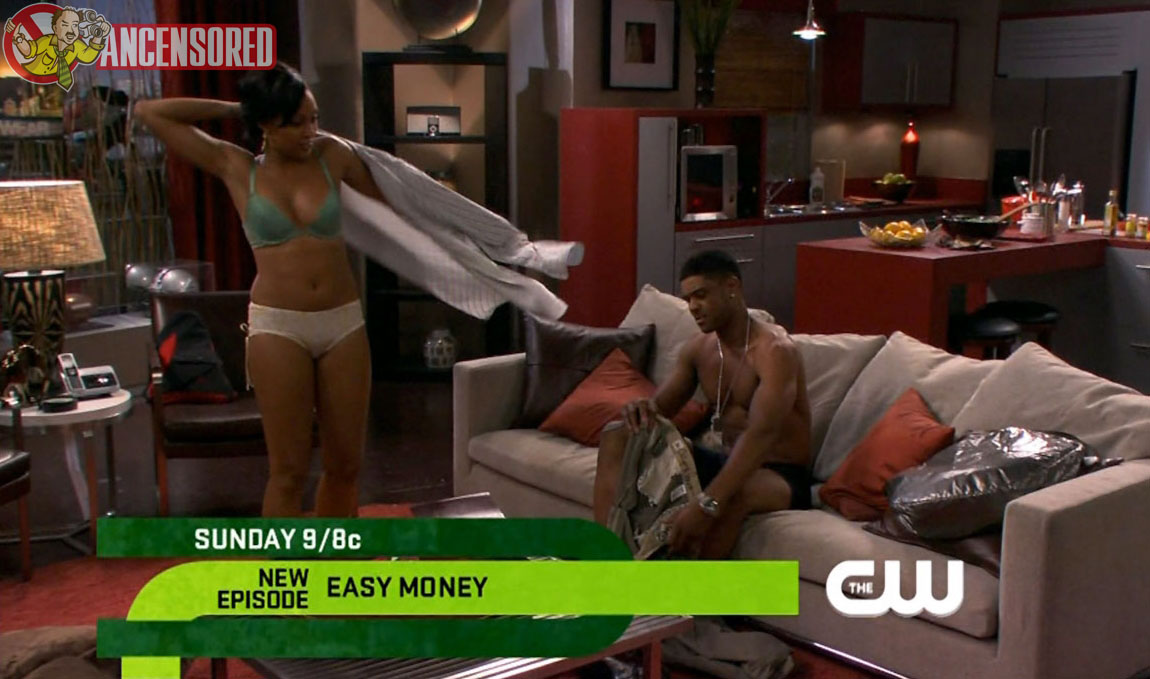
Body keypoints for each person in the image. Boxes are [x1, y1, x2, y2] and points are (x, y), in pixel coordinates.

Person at [135, 63, 386, 517]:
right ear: (268, 124)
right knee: (288, 471)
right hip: (279, 327)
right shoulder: (237, 166)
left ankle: (334, 555)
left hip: (343, 322)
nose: (311, 130)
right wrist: (238, 108)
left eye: (314, 118)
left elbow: (397, 199)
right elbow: (151, 112)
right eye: (297, 122)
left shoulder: (332, 155)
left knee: (345, 466)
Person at [593, 250, 812, 558]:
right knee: (618, 436)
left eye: (701, 295)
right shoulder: (699, 350)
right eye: (688, 299)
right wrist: (640, 410)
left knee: (734, 496)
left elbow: (761, 435)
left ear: (732, 287)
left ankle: (695, 587)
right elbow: (659, 411)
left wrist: (707, 503)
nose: (693, 307)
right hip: (719, 459)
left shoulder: (775, 351)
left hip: (778, 472)